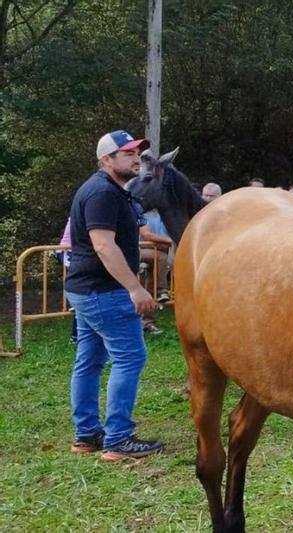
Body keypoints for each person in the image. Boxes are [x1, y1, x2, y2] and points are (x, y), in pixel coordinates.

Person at [65, 130, 163, 460]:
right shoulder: (102, 193)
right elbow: (103, 245)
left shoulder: (108, 191)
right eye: (127, 153)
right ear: (106, 159)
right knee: (130, 357)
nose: (136, 158)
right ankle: (118, 438)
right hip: (104, 292)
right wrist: (134, 288)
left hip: (87, 289)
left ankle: (87, 435)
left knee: (89, 362)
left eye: (137, 152)